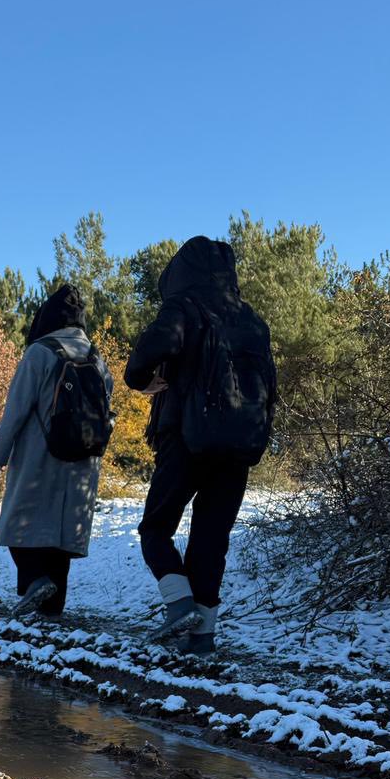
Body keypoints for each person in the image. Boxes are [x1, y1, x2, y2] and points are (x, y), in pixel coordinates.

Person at [125, 236, 276, 652]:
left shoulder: (185, 305)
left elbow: (156, 345)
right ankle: (202, 637)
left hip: (186, 436)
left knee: (155, 527)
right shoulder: (253, 320)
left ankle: (178, 604)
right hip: (239, 443)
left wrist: (138, 379)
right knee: (212, 538)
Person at [0, 287, 112, 616]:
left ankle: (34, 582)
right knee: (60, 537)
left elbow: (16, 408)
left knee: (19, 526)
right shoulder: (98, 358)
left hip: (39, 457)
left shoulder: (39, 352)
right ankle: (53, 610)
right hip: (83, 461)